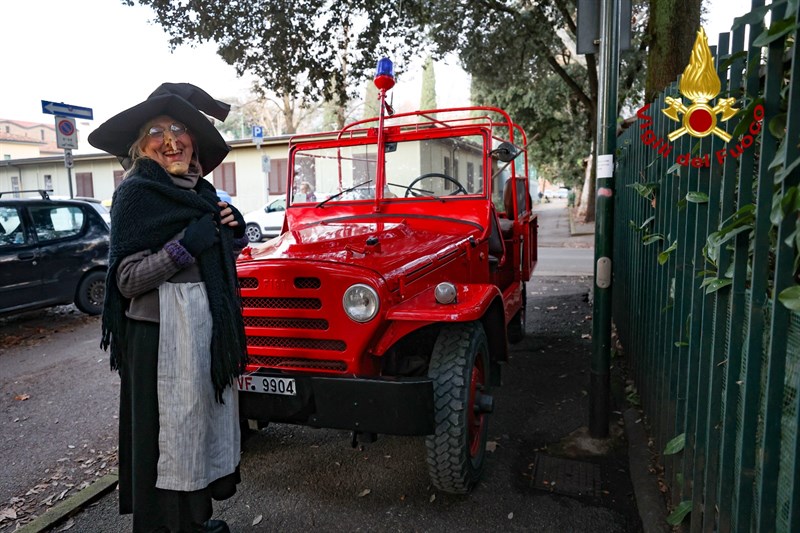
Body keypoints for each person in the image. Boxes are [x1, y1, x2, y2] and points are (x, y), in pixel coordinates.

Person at [88, 83, 249, 533]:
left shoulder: (204, 193)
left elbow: (216, 261)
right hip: (161, 338)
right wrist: (186, 246)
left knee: (196, 430)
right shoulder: (136, 194)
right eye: (156, 131)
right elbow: (126, 280)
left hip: (203, 330)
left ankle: (195, 523)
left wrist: (229, 237)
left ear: (194, 141)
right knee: (168, 440)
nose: (171, 138)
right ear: (142, 148)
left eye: (180, 128)